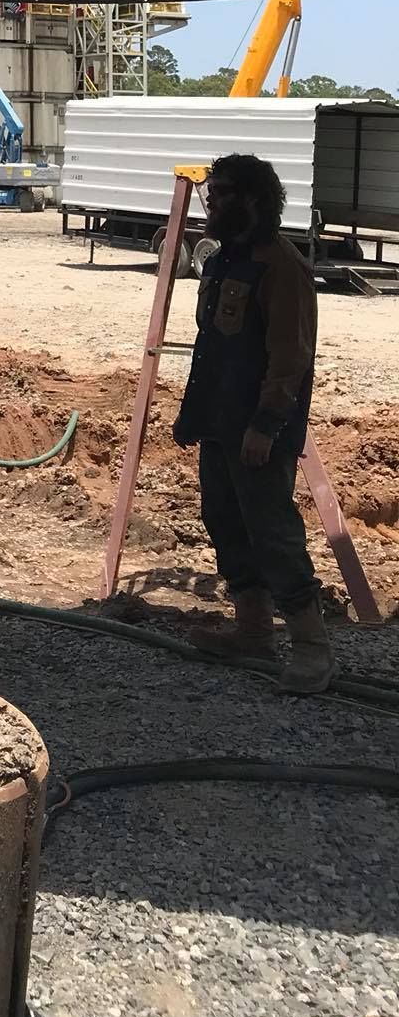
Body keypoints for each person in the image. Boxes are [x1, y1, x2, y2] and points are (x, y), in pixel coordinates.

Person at [173, 151, 331, 694]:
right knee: (225, 520)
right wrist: (196, 416)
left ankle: (311, 649)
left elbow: (290, 358)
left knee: (272, 532)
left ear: (252, 200)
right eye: (209, 191)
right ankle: (253, 631)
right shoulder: (223, 260)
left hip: (257, 430)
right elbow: (212, 348)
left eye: (219, 192)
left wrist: (266, 425)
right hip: (220, 422)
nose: (210, 200)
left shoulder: (281, 266)